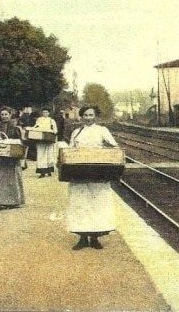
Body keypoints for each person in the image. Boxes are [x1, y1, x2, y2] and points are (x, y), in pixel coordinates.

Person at [67, 105, 118, 250]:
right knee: (81, 203)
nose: (88, 118)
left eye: (91, 115)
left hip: (98, 172)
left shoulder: (102, 130)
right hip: (79, 172)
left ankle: (95, 238)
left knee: (97, 203)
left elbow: (114, 147)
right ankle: (82, 238)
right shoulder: (77, 132)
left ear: (95, 116)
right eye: (86, 115)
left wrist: (101, 154)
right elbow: (70, 150)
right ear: (82, 116)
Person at [0, 107, 25, 210]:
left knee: (10, 178)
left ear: (10, 115)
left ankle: (12, 201)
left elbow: (19, 142)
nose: (4, 116)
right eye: (2, 114)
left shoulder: (15, 127)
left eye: (6, 114)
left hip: (10, 157)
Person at [33, 108, 58, 178]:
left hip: (49, 139)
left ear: (49, 113)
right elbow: (35, 127)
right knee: (41, 155)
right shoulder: (39, 119)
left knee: (49, 155)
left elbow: (55, 130)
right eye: (44, 112)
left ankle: (49, 170)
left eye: (46, 112)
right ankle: (42, 172)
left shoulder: (51, 120)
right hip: (41, 139)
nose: (45, 114)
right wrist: (33, 129)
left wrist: (52, 131)